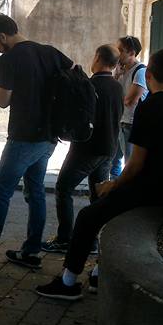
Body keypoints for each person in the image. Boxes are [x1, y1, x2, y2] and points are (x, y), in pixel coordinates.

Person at [35, 49, 163, 299]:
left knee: (88, 216)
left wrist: (113, 185)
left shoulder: (151, 106)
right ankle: (98, 274)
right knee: (105, 213)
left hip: (152, 191)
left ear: (149, 75)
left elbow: (135, 165)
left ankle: (68, 282)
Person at [0, 14, 71, 270]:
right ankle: (31, 251)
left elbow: (2, 100)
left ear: (2, 36)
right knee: (36, 192)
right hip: (49, 137)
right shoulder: (50, 52)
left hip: (23, 137)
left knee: (1, 193)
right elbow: (74, 73)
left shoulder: (10, 59)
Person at [42, 44, 123, 253]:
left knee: (63, 189)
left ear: (98, 58)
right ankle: (93, 241)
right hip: (109, 148)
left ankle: (64, 238)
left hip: (87, 149)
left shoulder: (89, 85)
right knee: (97, 195)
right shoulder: (117, 86)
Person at [110, 35, 147, 177]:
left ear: (132, 53)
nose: (116, 53)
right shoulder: (120, 69)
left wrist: (116, 98)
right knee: (114, 162)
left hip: (131, 124)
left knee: (130, 163)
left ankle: (128, 188)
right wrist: (116, 76)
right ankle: (114, 186)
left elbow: (130, 101)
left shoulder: (140, 71)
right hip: (120, 121)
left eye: (120, 50)